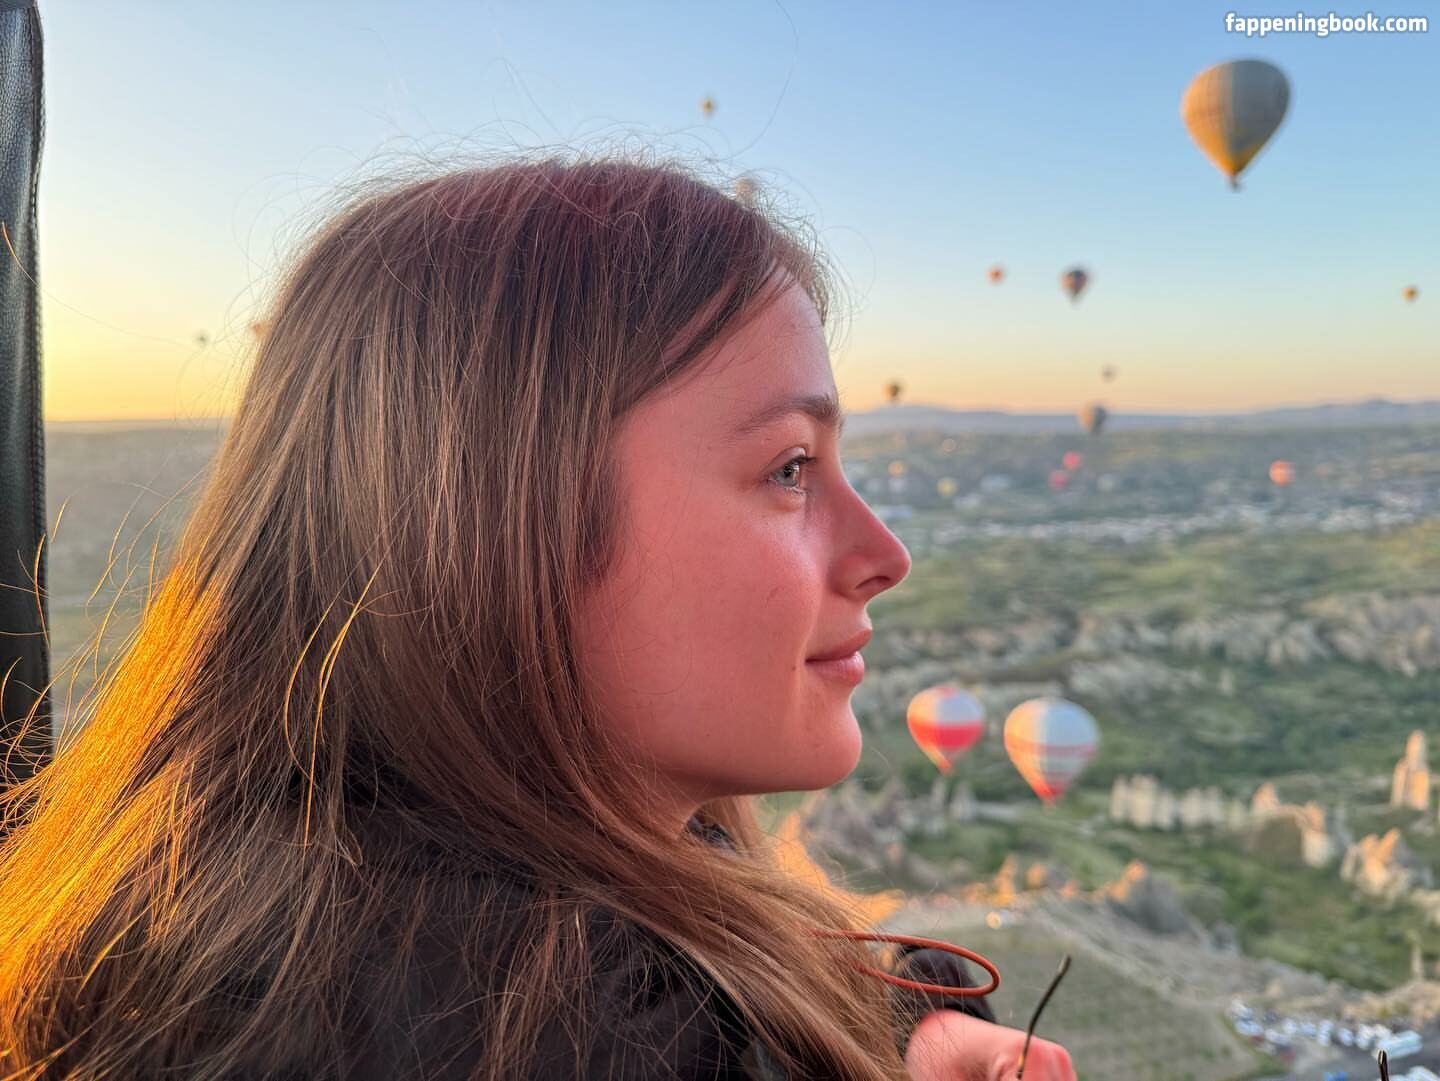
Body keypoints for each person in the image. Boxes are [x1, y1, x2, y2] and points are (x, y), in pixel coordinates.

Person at [0, 156, 1075, 1079]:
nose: (885, 556)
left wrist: (904, 1028)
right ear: (501, 527)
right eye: (791, 467)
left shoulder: (267, 923)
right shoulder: (580, 1038)